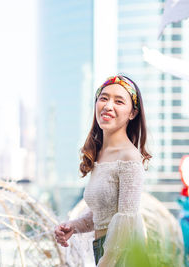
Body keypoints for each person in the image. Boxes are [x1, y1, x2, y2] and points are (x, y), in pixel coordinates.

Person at [54, 75, 152, 266]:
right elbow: (102, 215)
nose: (108, 106)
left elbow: (126, 223)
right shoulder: (100, 154)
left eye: (119, 101)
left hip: (122, 257)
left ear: (132, 113)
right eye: (104, 98)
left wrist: (106, 262)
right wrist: (72, 226)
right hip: (104, 251)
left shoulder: (129, 158)